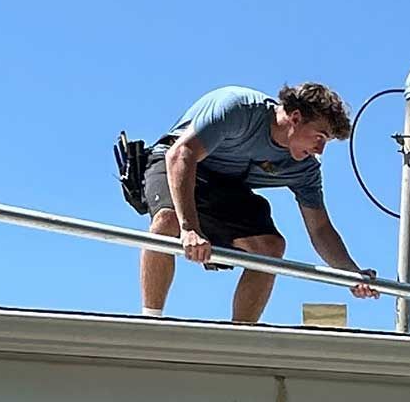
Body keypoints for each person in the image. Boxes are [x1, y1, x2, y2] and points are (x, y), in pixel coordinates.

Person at [134, 82, 378, 321]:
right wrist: (189, 228)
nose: (320, 150)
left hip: (224, 186)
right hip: (176, 161)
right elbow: (181, 154)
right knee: (168, 219)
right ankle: (151, 320)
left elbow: (320, 229)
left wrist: (351, 273)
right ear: (295, 118)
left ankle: (240, 334)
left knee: (270, 248)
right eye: (319, 137)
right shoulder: (239, 111)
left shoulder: (304, 169)